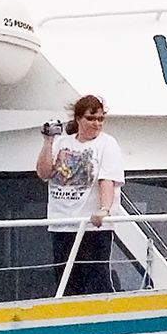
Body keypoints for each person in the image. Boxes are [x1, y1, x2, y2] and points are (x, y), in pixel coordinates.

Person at [36, 95, 124, 297]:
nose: (96, 124)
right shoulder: (62, 142)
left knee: (97, 280)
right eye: (91, 118)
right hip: (62, 222)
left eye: (100, 119)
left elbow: (107, 180)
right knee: (66, 282)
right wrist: (48, 142)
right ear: (78, 119)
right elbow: (44, 173)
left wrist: (104, 210)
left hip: (92, 226)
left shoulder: (107, 144)